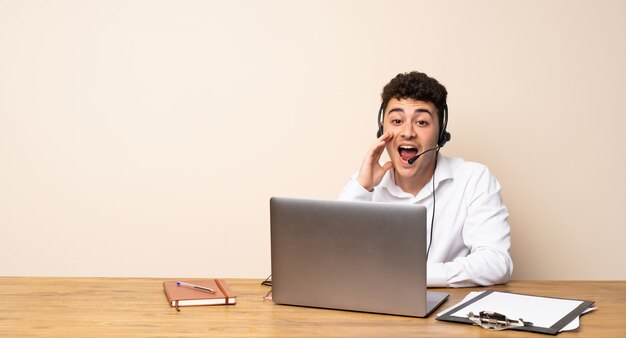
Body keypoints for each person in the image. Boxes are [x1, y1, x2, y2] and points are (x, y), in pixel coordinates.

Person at [339, 71, 513, 287]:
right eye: (396, 120)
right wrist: (361, 187)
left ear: (441, 133)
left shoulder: (474, 179)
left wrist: (412, 276)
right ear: (381, 129)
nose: (407, 132)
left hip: (446, 312)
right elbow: (334, 260)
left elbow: (496, 263)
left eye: (421, 122)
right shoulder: (364, 185)